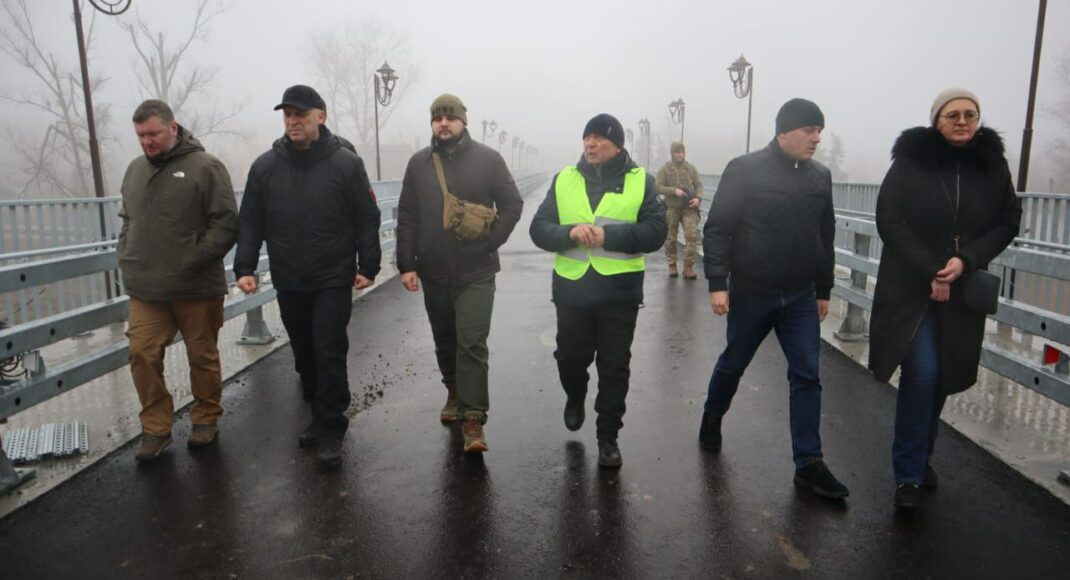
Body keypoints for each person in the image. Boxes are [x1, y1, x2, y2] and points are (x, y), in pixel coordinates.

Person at [869, 88, 1021, 509]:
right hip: (909, 288)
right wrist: (934, 267)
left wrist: (965, 260)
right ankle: (908, 476)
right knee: (922, 372)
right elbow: (889, 219)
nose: (962, 120)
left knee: (943, 376)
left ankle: (920, 456)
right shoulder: (911, 162)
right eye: (952, 114)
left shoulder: (992, 165)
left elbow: (1008, 222)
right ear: (936, 120)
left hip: (961, 291)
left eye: (970, 113)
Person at [698, 98, 849, 499]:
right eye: (809, 130)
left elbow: (825, 235)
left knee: (806, 374)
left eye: (820, 130)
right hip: (752, 292)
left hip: (800, 295)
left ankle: (809, 463)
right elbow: (717, 229)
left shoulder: (820, 177)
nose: (817, 137)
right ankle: (713, 415)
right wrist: (718, 282)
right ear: (784, 131)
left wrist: (823, 289)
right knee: (734, 362)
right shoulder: (745, 170)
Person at [234, 85, 382, 469]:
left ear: (322, 115)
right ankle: (319, 415)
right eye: (287, 114)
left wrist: (368, 265)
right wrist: (245, 267)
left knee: (328, 348)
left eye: (300, 113)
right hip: (289, 277)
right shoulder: (265, 167)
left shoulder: (345, 163)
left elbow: (367, 217)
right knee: (303, 353)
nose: (292, 120)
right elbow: (250, 220)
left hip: (333, 275)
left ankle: (332, 428)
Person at [530, 113, 667, 468]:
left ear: (617, 144)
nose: (590, 143)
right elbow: (539, 229)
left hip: (619, 293)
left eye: (599, 138)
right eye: (586, 137)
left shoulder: (642, 181)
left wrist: (610, 236)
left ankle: (608, 437)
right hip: (573, 291)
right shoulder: (564, 180)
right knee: (570, 359)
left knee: (615, 367)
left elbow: (656, 232)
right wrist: (569, 233)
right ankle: (575, 394)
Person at [396, 94, 523, 454]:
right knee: (445, 338)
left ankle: (473, 418)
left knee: (471, 342)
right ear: (432, 124)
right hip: (433, 270)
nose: (444, 123)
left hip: (476, 270)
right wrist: (406, 263)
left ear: (463, 121)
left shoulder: (489, 160)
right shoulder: (418, 164)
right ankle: (453, 389)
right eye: (437, 118)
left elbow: (513, 205)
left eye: (450, 117)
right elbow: (407, 215)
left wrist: (491, 243)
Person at [118, 99, 238, 460]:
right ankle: (156, 427)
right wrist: (125, 252)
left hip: (195, 284)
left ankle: (205, 417)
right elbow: (128, 218)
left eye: (153, 133)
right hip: (146, 286)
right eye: (141, 135)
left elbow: (227, 222)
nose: (147, 141)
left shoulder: (206, 166)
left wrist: (193, 258)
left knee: (201, 353)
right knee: (141, 352)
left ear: (173, 127)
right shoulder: (135, 170)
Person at [655, 141, 703, 279]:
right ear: (672, 153)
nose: (680, 155)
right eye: (677, 152)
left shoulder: (690, 169)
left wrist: (698, 198)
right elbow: (657, 186)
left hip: (688, 208)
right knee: (670, 238)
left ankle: (688, 267)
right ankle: (672, 265)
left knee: (692, 236)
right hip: (672, 207)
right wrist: (673, 190)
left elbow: (699, 184)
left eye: (682, 152)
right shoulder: (665, 169)